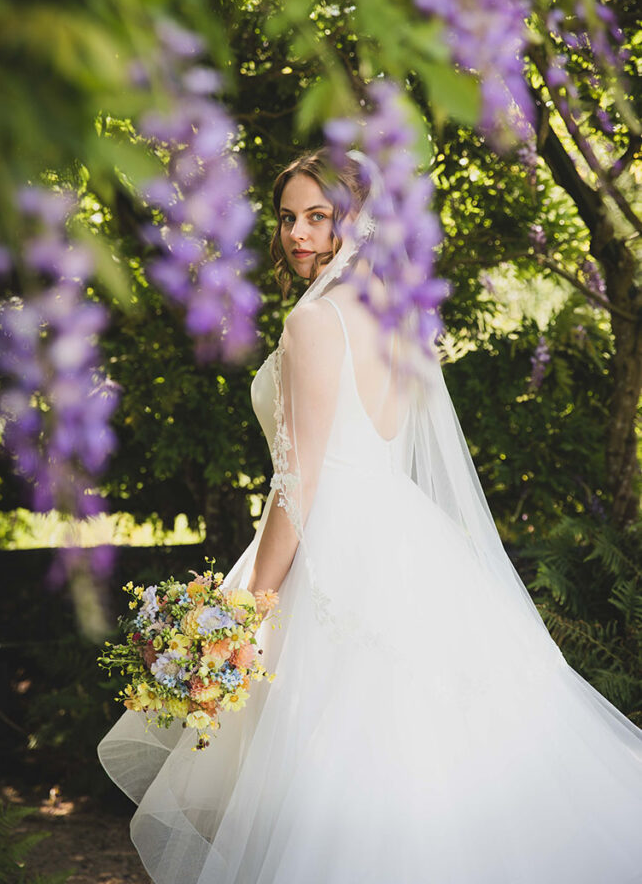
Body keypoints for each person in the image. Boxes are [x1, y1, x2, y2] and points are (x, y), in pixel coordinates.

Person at [98, 148, 642, 884]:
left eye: (317, 217)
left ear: (352, 220)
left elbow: (299, 480)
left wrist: (244, 612)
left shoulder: (314, 321)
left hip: (335, 552)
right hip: (408, 538)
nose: (298, 234)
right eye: (288, 218)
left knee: (341, 770)